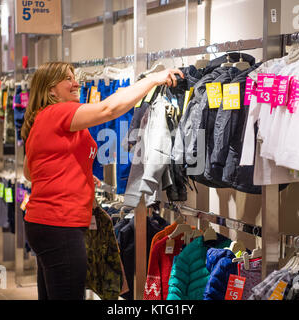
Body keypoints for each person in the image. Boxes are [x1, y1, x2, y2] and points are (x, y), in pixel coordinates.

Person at [21, 61, 183, 300]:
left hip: (45, 224)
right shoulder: (59, 112)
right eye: (68, 79)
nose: (76, 83)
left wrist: (79, 175)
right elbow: (108, 110)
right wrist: (153, 79)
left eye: (74, 77)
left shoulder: (43, 118)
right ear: (50, 90)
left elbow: (29, 171)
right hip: (60, 225)